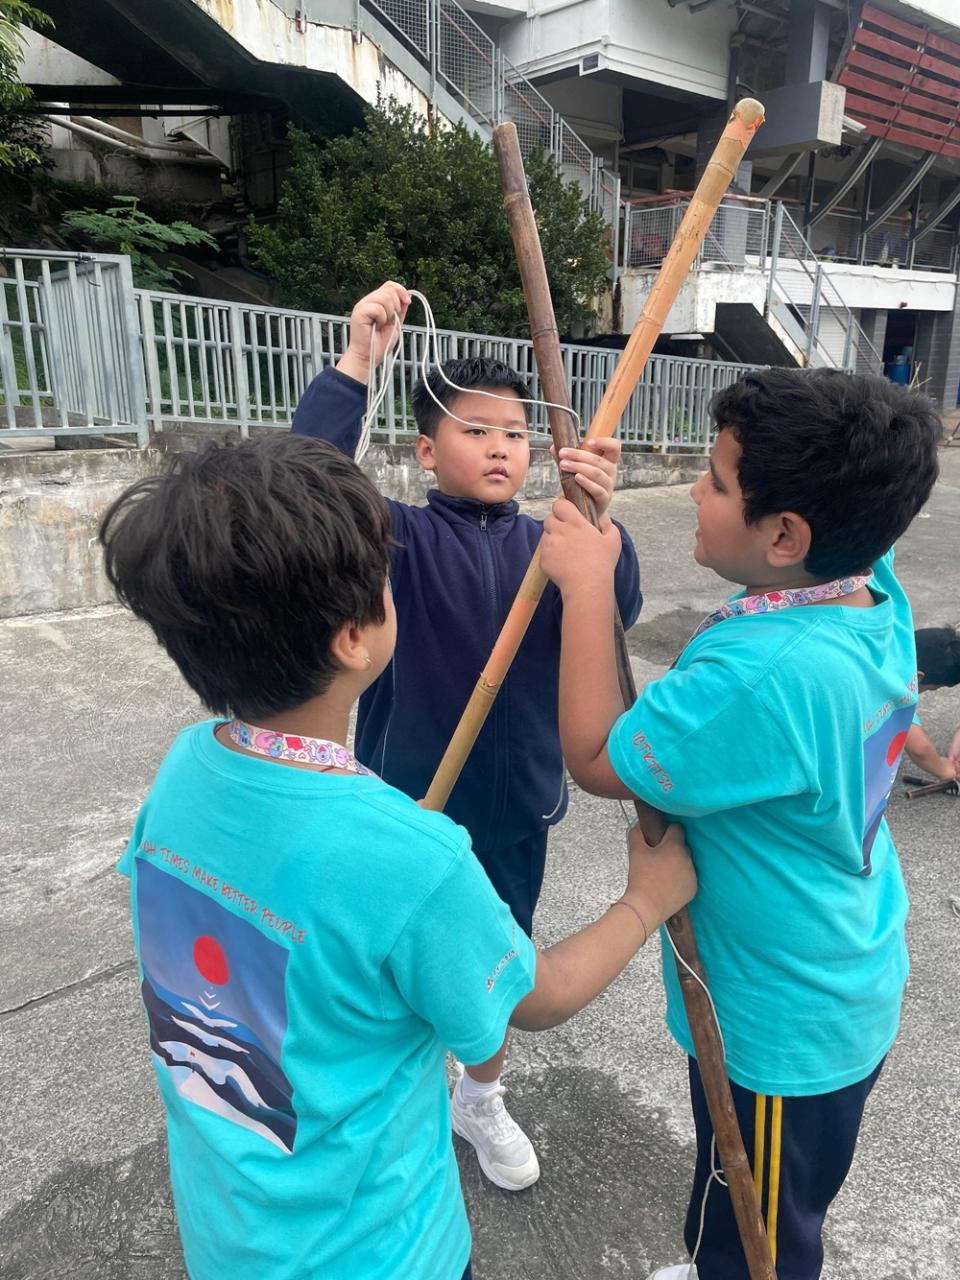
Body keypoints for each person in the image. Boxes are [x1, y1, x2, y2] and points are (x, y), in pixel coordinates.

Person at [100, 432, 694, 1280]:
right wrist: (647, 898)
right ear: (353, 636)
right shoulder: (411, 857)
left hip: (226, 1232)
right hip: (381, 1251)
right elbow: (538, 996)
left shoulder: (184, 768)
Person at [539, 367, 941, 1280]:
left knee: (761, 1237)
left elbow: (597, 757)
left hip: (779, 1017)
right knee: (744, 1189)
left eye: (716, 481)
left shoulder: (760, 678)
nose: (693, 489)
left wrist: (587, 586)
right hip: (843, 969)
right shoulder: (870, 587)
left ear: (786, 535)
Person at [291, 282, 642, 1189]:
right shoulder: (394, 539)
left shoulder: (552, 542)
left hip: (521, 805)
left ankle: (479, 1098)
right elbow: (304, 488)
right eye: (474, 429)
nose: (498, 447)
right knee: (392, 967)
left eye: (515, 433)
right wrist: (357, 361)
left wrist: (601, 527)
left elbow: (618, 611)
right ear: (425, 449)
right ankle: (397, 1088)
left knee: (495, 966)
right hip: (414, 806)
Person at [904, 625, 960, 780]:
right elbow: (919, 749)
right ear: (918, 677)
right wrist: (944, 769)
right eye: (931, 688)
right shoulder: (892, 689)